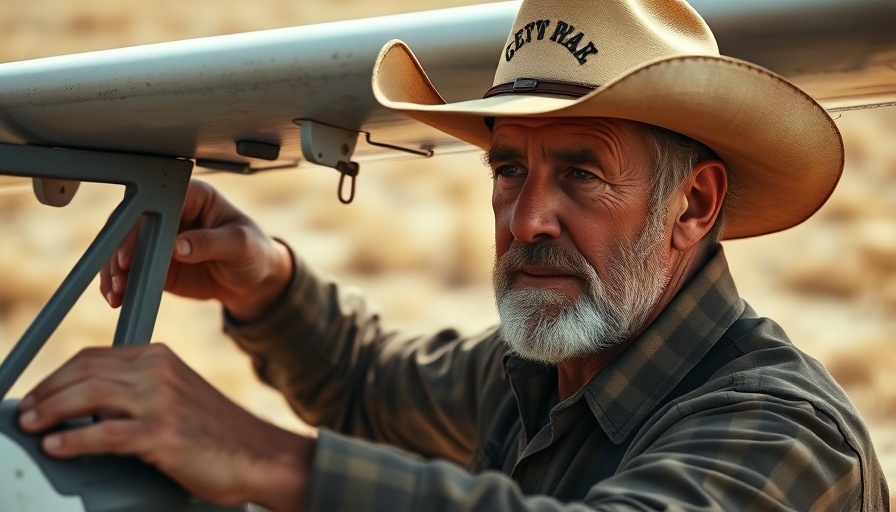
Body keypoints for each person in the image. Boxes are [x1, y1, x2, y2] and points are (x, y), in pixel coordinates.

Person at [15, 0, 889, 510]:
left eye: (582, 173)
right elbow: (371, 384)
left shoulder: (789, 435)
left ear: (692, 206)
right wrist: (266, 284)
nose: (528, 218)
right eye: (510, 168)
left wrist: (269, 460)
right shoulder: (546, 370)